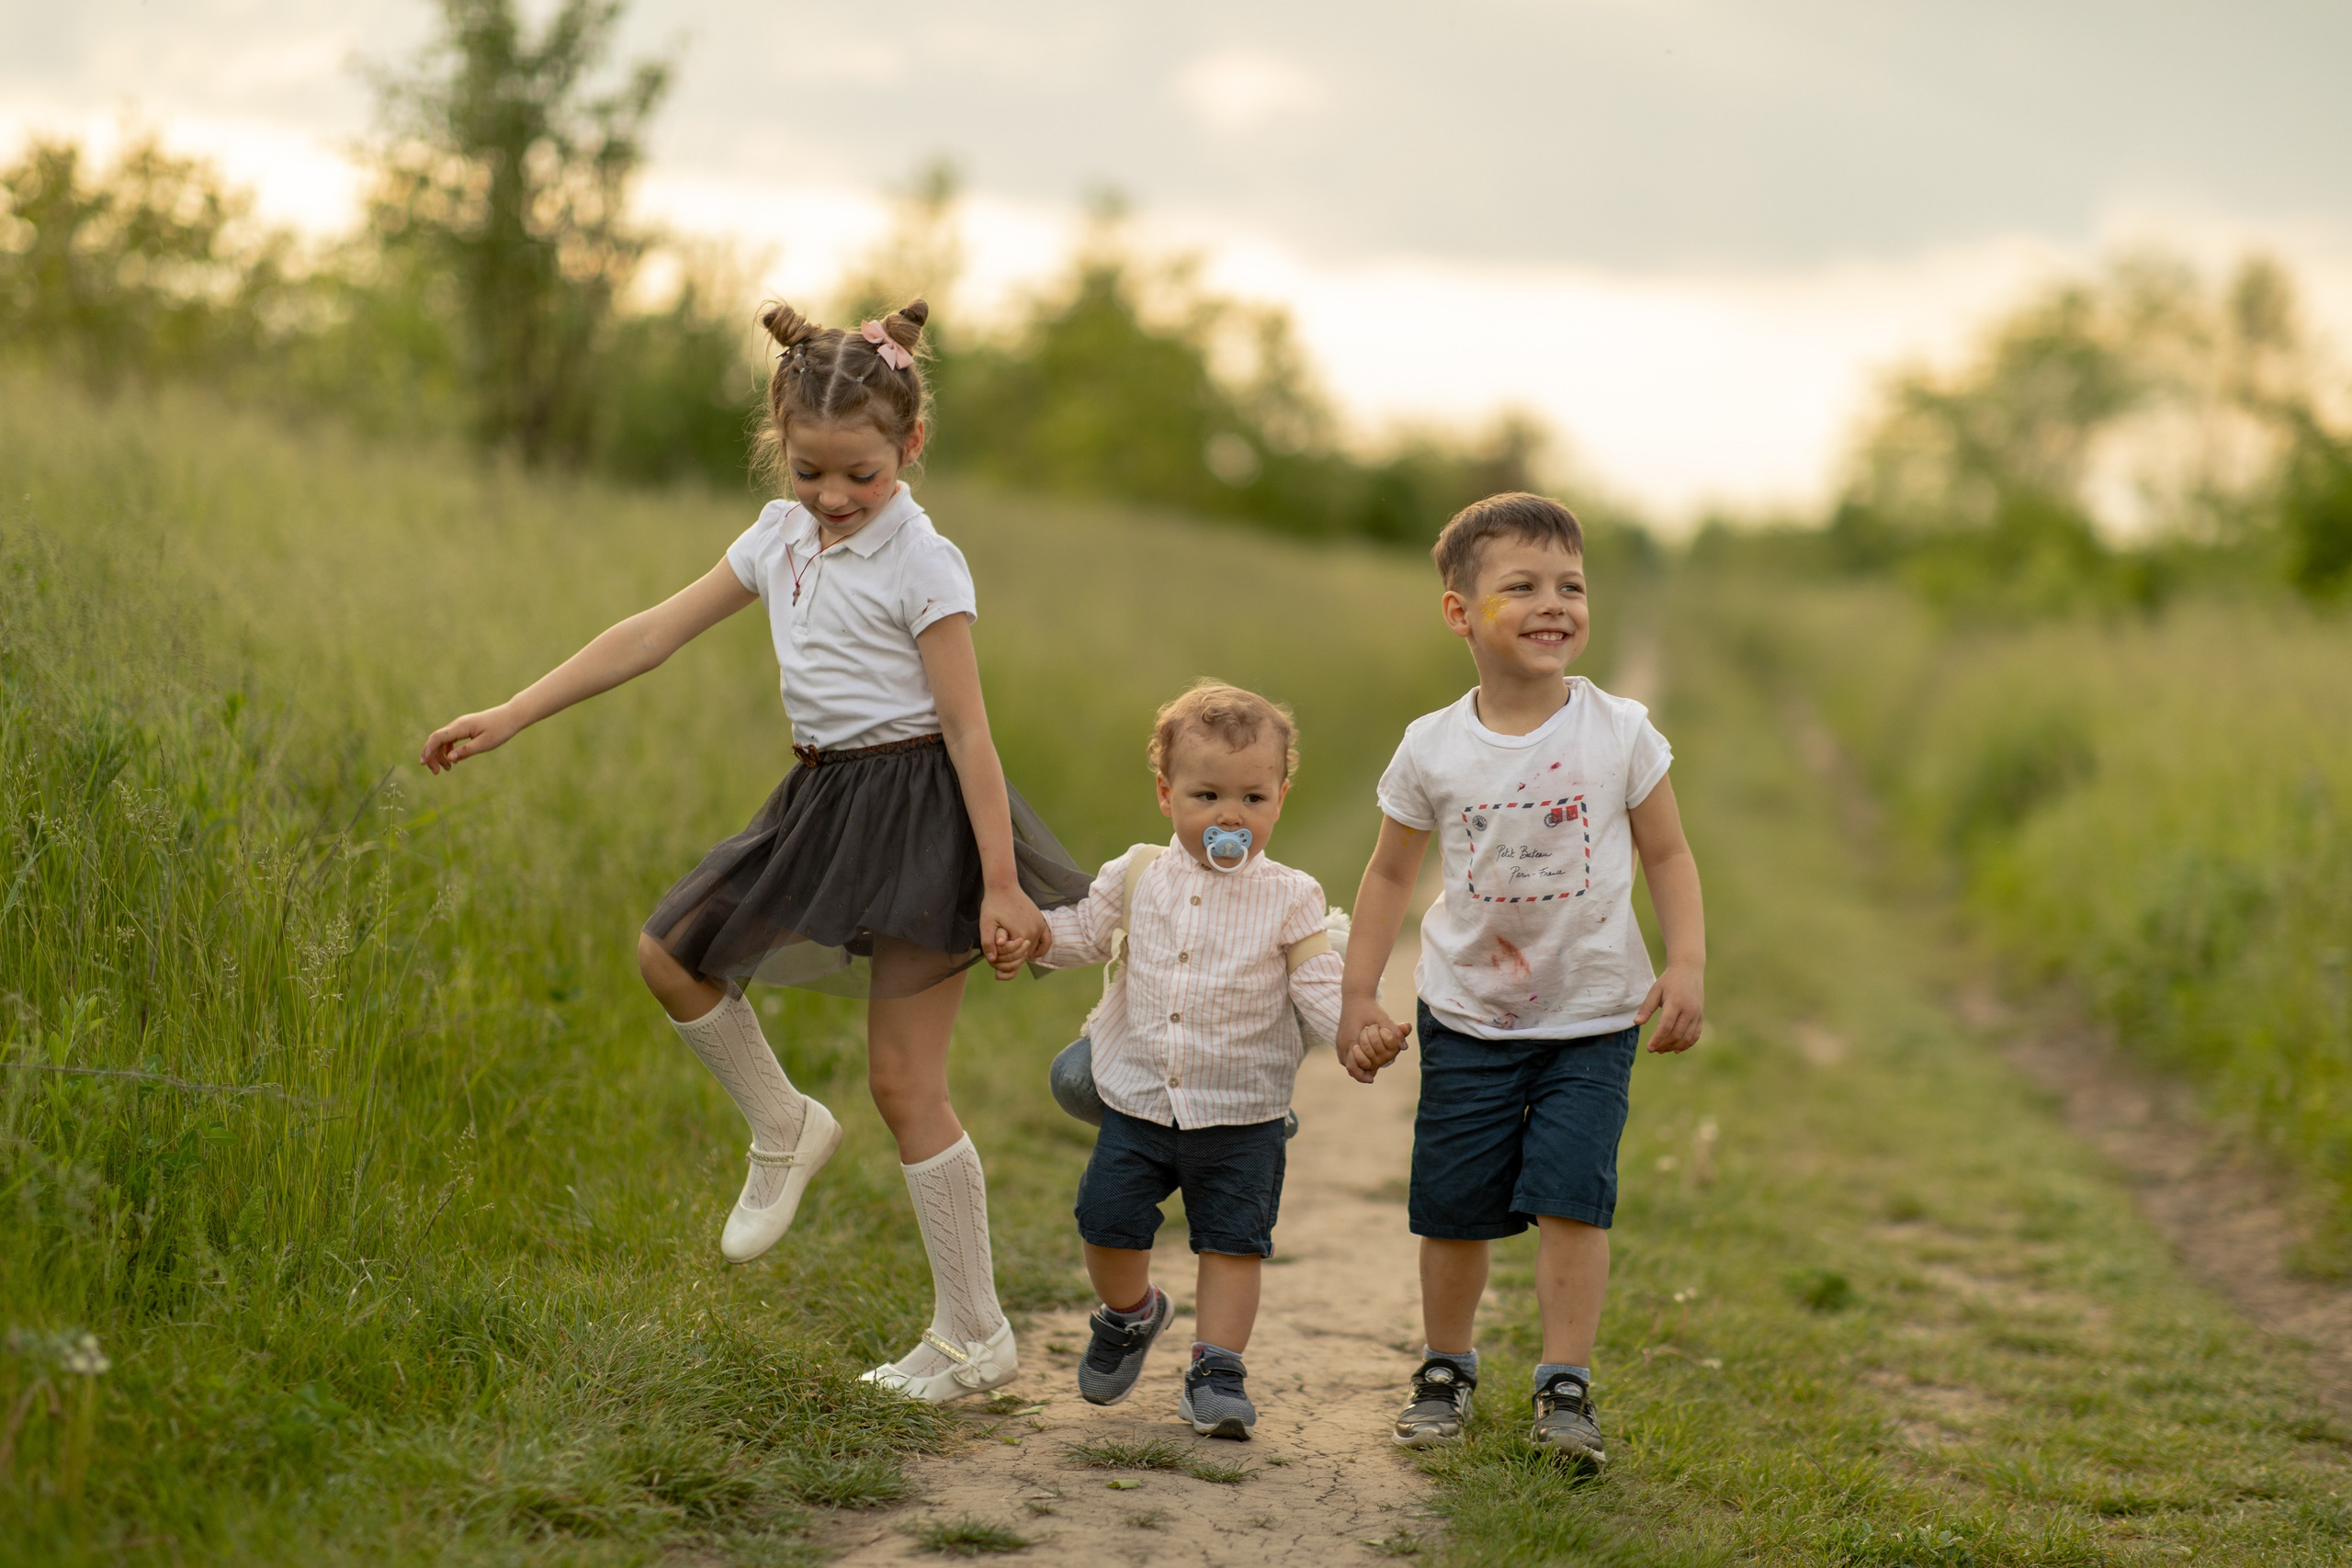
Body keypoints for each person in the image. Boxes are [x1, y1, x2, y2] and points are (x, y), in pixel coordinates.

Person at [419, 299, 1088, 1404]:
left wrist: (1002, 883)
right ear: (780, 445)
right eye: (810, 472)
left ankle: (972, 1335)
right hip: (820, 797)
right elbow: (651, 632)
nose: (833, 498)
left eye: (860, 476)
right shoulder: (778, 539)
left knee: (904, 1081)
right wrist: (513, 711)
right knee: (670, 953)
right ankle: (781, 1122)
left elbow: (969, 730)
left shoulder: (927, 560)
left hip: (919, 805)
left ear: (909, 448)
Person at [1335, 493, 1706, 1465]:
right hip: (1468, 1014)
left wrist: (1688, 962)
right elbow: (1387, 873)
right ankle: (1445, 1369)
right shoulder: (1432, 746)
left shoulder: (1619, 732)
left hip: (1592, 1015)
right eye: (1523, 587)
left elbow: (1668, 855)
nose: (1554, 605)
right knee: (1455, 1207)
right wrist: (1358, 992)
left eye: (1571, 587)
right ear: (1460, 613)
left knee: (1574, 1199)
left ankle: (1564, 1388)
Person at [1023, 681, 1343, 1439]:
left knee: (1233, 1242)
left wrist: (1358, 1030)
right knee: (1106, 1222)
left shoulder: (1293, 897)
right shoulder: (1136, 875)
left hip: (1243, 1113)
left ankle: (1217, 1368)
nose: (1231, 816)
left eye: (1253, 799)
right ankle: (1132, 1313)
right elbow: (1083, 934)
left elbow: (1320, 985)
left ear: (1280, 800)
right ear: (1167, 795)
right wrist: (1031, 935)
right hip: (1138, 1100)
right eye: (1207, 795)